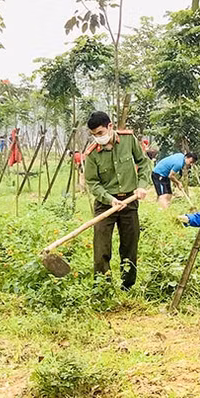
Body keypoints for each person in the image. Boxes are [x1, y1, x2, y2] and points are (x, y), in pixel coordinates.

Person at [83, 111, 150, 290]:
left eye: (100, 133)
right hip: (105, 204)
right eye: (94, 135)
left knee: (130, 244)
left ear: (110, 127)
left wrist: (142, 185)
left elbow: (143, 163)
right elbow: (92, 182)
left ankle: (127, 285)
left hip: (130, 200)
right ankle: (102, 286)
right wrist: (109, 199)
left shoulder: (128, 140)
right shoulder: (91, 154)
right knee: (101, 247)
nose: (98, 138)